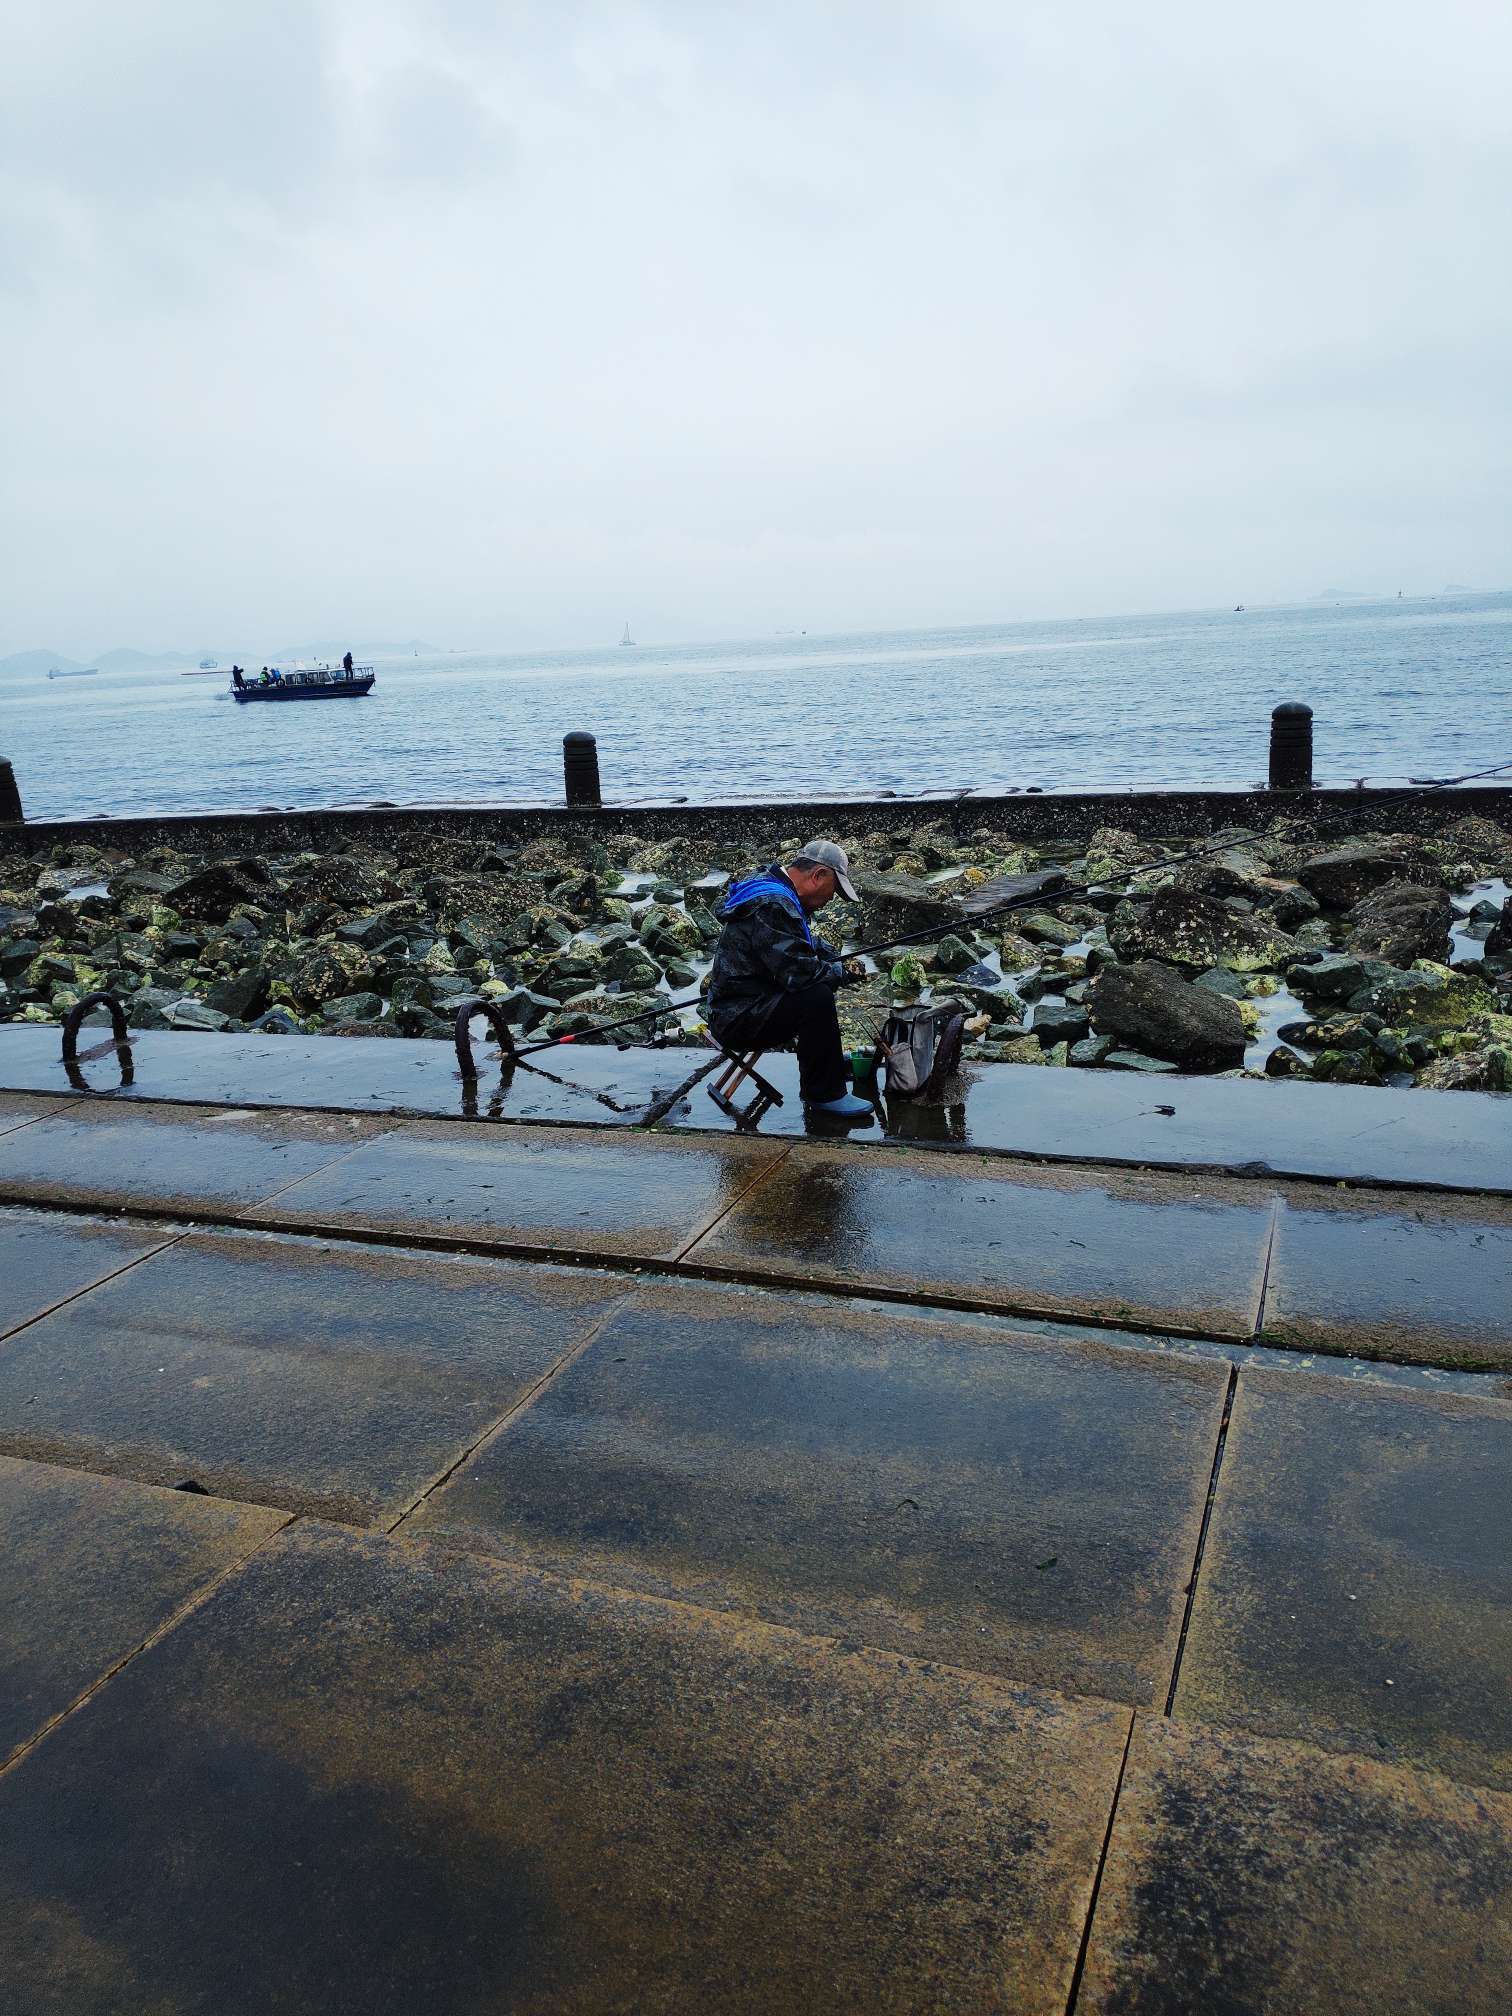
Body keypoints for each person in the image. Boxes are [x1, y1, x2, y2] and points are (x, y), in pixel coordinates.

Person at [707, 839, 873, 1119]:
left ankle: (827, 1065)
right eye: (834, 889)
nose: (832, 898)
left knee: (815, 991)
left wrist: (833, 957)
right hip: (738, 1019)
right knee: (815, 996)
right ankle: (824, 1094)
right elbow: (800, 974)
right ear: (818, 875)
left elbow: (795, 942)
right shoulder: (774, 905)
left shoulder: (769, 885)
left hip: (739, 1004)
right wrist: (842, 974)